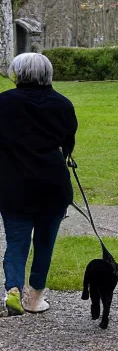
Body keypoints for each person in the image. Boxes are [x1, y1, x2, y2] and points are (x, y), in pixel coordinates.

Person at [0, 53, 77, 315]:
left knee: (16, 242)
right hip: (52, 187)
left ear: (18, 73)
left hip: (13, 187)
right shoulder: (62, 104)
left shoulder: (4, 102)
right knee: (45, 244)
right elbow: (68, 144)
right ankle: (34, 300)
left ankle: (12, 290)